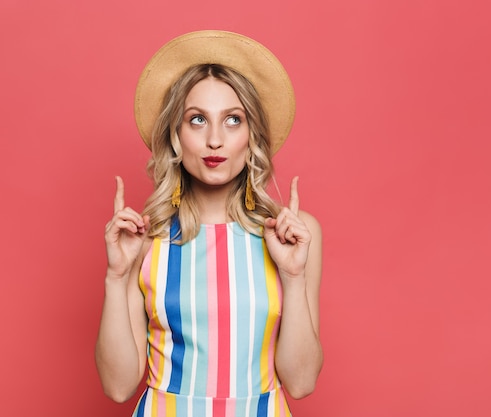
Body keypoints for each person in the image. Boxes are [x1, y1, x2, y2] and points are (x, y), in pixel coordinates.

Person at [95, 30, 323, 416]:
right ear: (176, 135)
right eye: (197, 120)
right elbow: (118, 387)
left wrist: (294, 277)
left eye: (233, 120)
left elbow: (300, 383)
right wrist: (116, 278)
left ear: (252, 136)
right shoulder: (143, 239)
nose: (215, 140)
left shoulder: (293, 236)